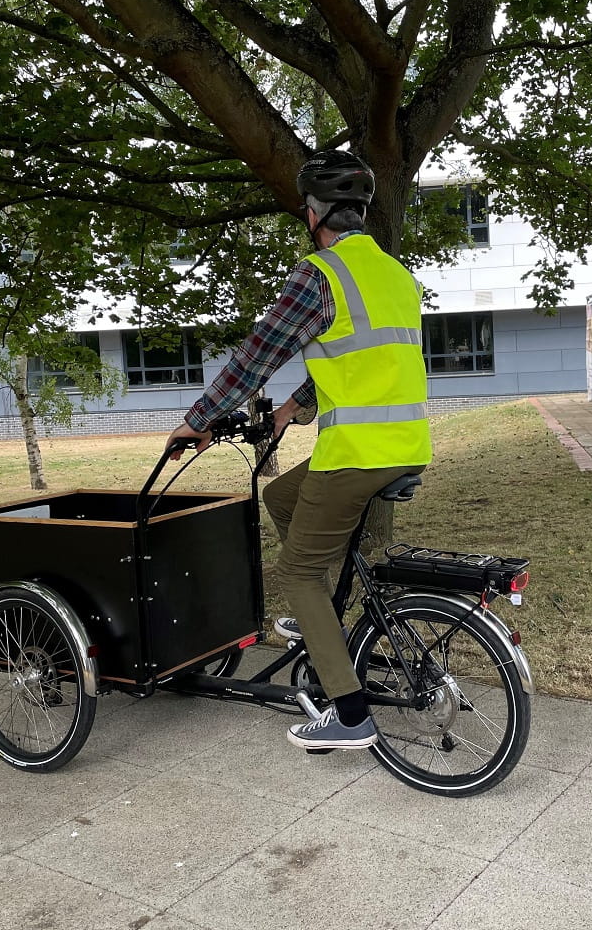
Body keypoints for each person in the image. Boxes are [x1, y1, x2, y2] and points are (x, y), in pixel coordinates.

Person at [166, 150, 432, 750]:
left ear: (314, 215)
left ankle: (350, 712)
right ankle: (322, 623)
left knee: (297, 570)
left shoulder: (320, 274)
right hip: (405, 443)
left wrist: (199, 421)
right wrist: (295, 408)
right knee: (283, 494)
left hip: (358, 451)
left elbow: (256, 356)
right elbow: (366, 358)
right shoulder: (395, 274)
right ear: (360, 212)